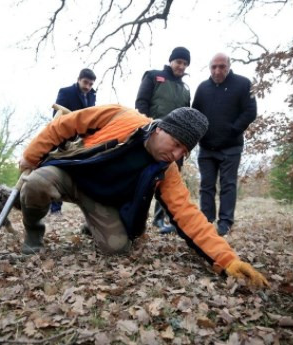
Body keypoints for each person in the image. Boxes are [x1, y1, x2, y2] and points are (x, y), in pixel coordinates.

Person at [18, 104, 269, 288]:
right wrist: (30, 158)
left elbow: (188, 215)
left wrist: (227, 260)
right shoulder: (121, 115)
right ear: (160, 128)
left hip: (101, 201)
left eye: (184, 150)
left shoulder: (166, 170)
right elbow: (66, 124)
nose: (176, 154)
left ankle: (91, 224)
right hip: (72, 175)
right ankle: (33, 230)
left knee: (116, 249)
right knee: (37, 182)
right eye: (176, 143)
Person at [192, 53, 257, 236]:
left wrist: (233, 130)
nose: (217, 70)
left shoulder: (243, 84)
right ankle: (206, 220)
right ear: (209, 68)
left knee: (228, 185)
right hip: (206, 147)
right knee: (206, 186)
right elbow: (194, 114)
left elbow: (250, 111)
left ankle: (225, 223)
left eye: (221, 66)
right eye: (214, 67)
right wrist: (198, 136)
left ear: (229, 66)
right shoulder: (203, 88)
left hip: (231, 146)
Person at [135, 46, 191, 234]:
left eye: (184, 63)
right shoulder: (153, 76)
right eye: (178, 62)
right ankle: (136, 218)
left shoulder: (185, 88)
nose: (181, 66)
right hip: (153, 138)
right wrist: (146, 129)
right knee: (144, 180)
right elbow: (141, 103)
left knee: (167, 181)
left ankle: (160, 220)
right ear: (171, 61)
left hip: (176, 144)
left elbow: (187, 116)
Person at [49, 68, 97, 214]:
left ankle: (87, 208)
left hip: (82, 141)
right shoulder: (65, 92)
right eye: (85, 82)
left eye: (90, 84)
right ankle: (55, 209)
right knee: (58, 169)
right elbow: (56, 116)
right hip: (64, 138)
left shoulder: (92, 96)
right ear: (78, 79)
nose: (87, 86)